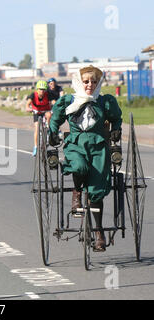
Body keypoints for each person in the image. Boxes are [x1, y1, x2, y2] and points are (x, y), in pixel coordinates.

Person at [48, 65, 122, 252]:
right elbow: (55, 118)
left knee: (97, 191)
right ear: (79, 82)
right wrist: (53, 132)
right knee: (79, 167)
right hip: (76, 144)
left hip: (98, 146)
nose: (90, 85)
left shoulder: (104, 101)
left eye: (94, 81)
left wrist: (115, 129)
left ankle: (98, 232)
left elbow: (116, 118)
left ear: (98, 84)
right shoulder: (69, 100)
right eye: (86, 81)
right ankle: (77, 192)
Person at [26, 80, 52, 157]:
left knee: (49, 115)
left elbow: (53, 102)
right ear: (37, 89)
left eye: (44, 89)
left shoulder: (48, 94)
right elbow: (27, 105)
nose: (42, 91)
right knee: (37, 128)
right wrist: (28, 109)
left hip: (45, 110)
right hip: (36, 112)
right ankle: (36, 147)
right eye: (40, 89)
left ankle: (47, 129)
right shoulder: (33, 95)